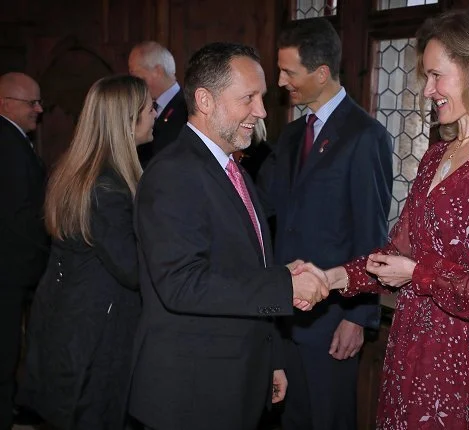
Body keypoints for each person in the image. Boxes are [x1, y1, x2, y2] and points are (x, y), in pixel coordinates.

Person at [297, 9, 469, 429]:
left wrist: (419, 275)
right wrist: (332, 277)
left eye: (436, 75)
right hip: (413, 348)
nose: (427, 90)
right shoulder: (435, 157)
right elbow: (397, 254)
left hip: (467, 362)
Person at [128, 42, 329, 430]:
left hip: (237, 379)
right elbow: (181, 283)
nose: (262, 111)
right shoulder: (174, 173)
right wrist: (284, 286)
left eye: (263, 97)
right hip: (192, 394)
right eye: (248, 98)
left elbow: (240, 266)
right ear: (205, 100)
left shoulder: (228, 168)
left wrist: (272, 359)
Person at [258, 18, 393, 430]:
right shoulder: (293, 133)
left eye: (288, 72)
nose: (280, 81)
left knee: (328, 419)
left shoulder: (365, 135)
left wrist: (358, 316)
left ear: (320, 73)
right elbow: (272, 208)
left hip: (334, 317)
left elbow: (372, 234)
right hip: (286, 312)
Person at [17, 75, 154, 430]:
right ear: (127, 120)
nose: (155, 113)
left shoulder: (79, 170)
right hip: (96, 332)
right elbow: (132, 270)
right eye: (148, 108)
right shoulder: (108, 186)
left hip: (71, 319)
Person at [0, 72, 48, 430]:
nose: (40, 109)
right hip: (10, 270)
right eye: (31, 103)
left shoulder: (14, 140)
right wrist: (45, 257)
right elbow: (19, 216)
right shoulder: (8, 143)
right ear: (5, 104)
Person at [129, 41, 188, 166]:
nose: (132, 82)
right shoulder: (135, 105)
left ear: (157, 71)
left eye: (135, 75)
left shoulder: (189, 109)